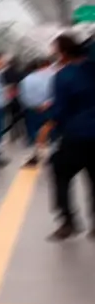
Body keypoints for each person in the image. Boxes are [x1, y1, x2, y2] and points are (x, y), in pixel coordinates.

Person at [41, 33, 95, 240]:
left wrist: (48, 123)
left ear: (63, 53)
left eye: (56, 52)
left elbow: (59, 112)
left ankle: (68, 223)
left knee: (60, 176)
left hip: (75, 137)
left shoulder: (62, 75)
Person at [19, 57, 55, 167]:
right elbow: (53, 93)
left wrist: (34, 105)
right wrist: (46, 104)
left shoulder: (25, 80)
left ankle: (38, 154)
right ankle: (50, 155)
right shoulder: (50, 78)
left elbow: (23, 97)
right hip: (47, 108)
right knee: (49, 131)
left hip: (32, 110)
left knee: (34, 131)